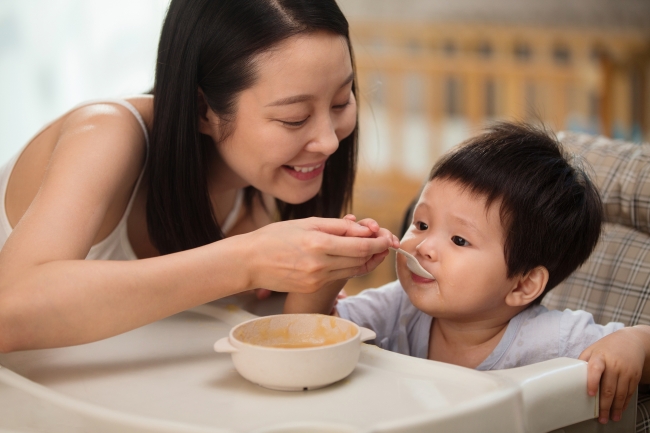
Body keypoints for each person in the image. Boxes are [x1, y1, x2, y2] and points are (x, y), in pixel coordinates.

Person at [0, 0, 400, 353]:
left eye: (341, 101)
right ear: (201, 109)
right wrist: (248, 260)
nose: (329, 142)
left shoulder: (256, 203)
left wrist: (315, 286)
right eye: (293, 119)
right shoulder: (106, 135)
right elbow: (9, 310)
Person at [284, 122, 650, 425]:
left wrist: (634, 342)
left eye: (459, 239)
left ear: (523, 284)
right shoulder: (397, 308)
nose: (424, 246)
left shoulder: (552, 341)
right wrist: (329, 277)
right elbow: (303, 339)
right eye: (422, 223)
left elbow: (629, 357)